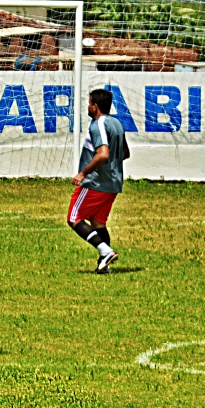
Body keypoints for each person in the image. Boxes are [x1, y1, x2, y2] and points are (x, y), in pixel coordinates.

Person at [67, 88, 130, 274]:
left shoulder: (98, 124)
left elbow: (103, 154)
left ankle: (106, 251)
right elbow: (125, 153)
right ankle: (105, 266)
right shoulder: (117, 124)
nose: (88, 106)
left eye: (89, 103)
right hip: (113, 184)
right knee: (98, 223)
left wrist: (83, 173)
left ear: (95, 106)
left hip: (96, 183)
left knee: (73, 218)